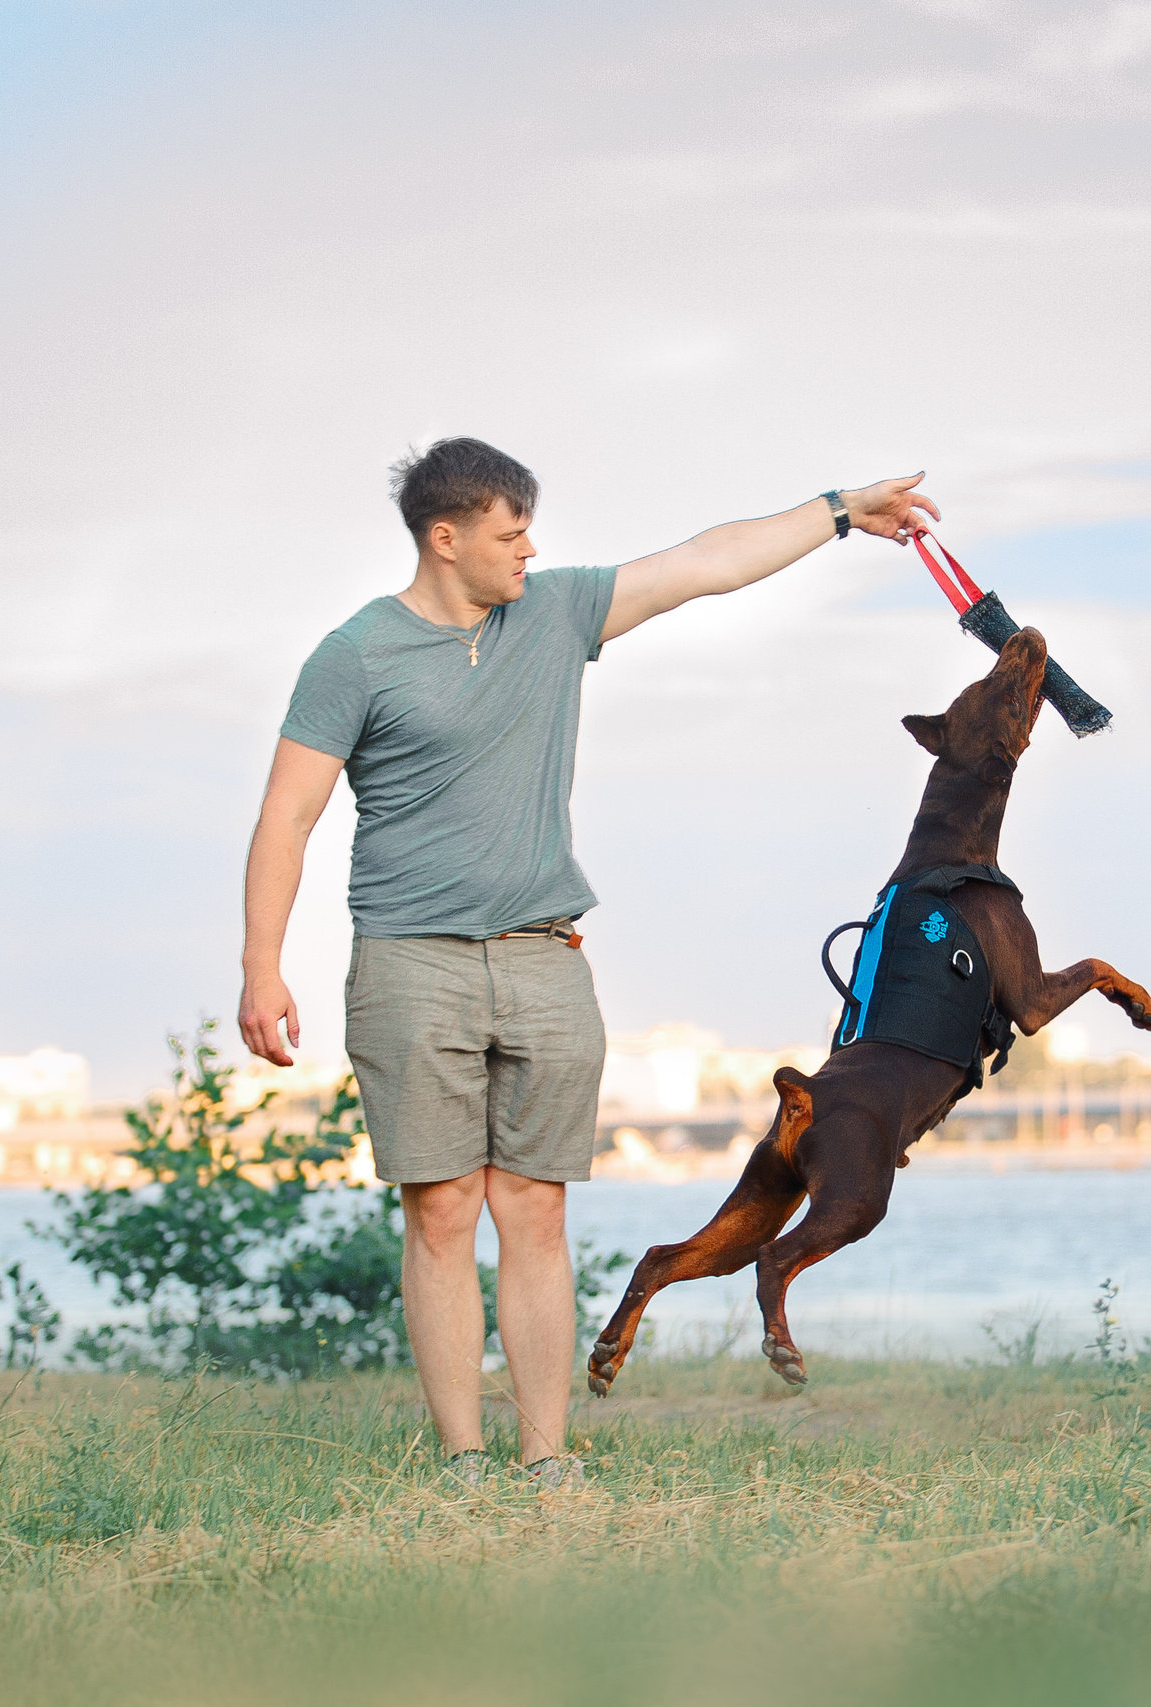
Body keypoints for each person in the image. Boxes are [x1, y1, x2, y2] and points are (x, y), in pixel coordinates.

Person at [237, 438, 938, 1490]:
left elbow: (706, 562)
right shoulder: (357, 655)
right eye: (509, 534)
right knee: (437, 1211)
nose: (530, 550)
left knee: (538, 1210)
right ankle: (464, 1457)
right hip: (410, 963)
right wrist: (262, 965)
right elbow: (287, 817)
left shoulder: (555, 613)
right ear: (446, 537)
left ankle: (546, 1459)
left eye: (530, 532)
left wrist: (840, 511)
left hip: (543, 959)